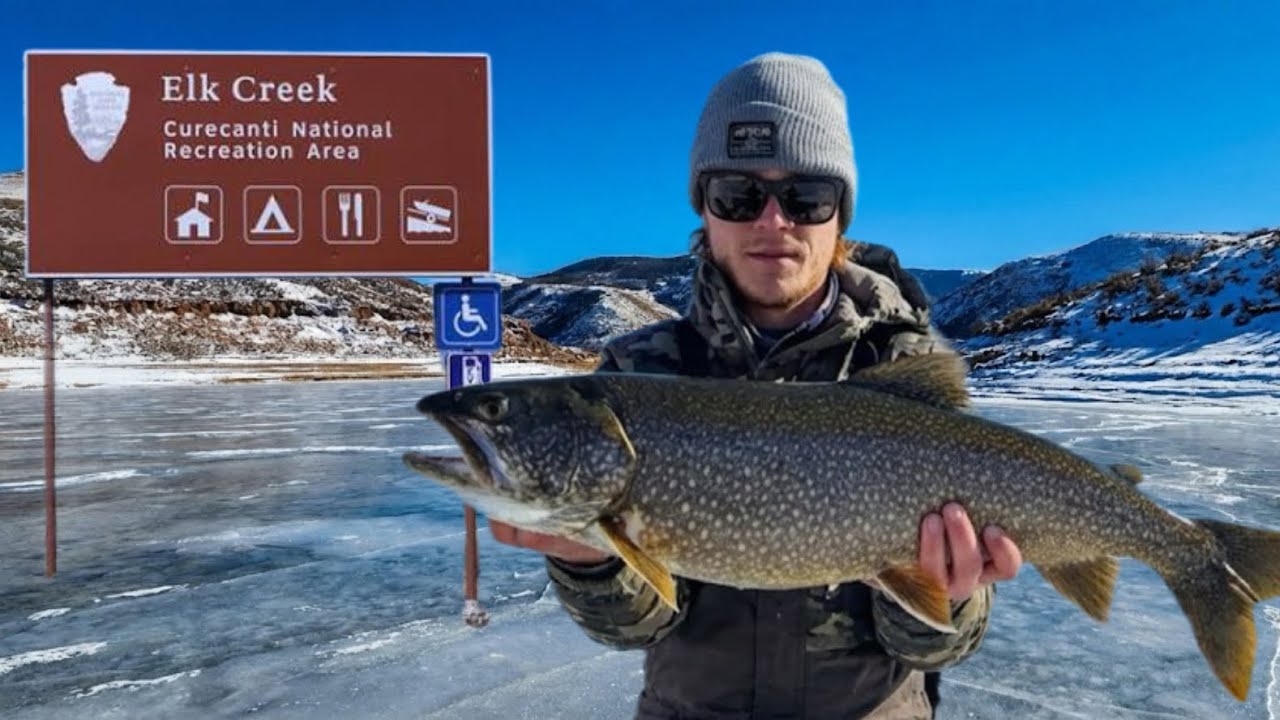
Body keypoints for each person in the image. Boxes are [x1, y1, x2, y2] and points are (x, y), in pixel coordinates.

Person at [491, 52, 1022, 719]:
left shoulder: (900, 366)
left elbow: (941, 646)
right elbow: (633, 629)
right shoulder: (637, 376)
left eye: (807, 197)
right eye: (738, 196)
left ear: (840, 216)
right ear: (705, 211)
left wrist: (947, 592)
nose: (773, 222)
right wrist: (588, 560)